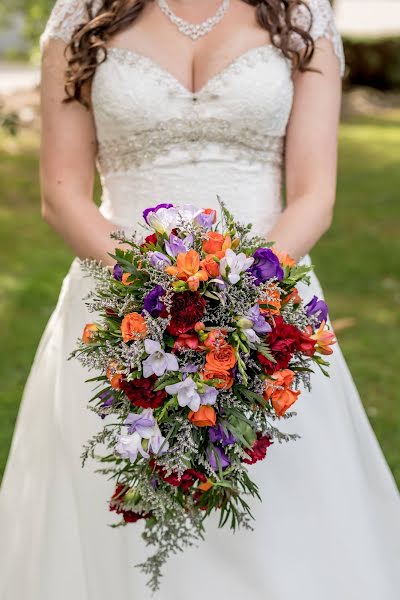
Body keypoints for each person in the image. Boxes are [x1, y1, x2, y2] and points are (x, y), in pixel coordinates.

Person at [0, 1, 399, 598]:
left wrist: (236, 296)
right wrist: (154, 289)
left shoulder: (301, 15)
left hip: (266, 303)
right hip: (117, 305)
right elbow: (62, 195)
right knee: (114, 520)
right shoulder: (83, 14)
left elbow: (314, 195)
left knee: (278, 516)